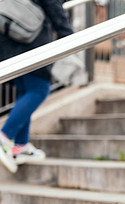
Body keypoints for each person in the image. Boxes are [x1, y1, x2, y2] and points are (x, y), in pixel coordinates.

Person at [0, 0, 73, 173]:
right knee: (39, 90)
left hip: (10, 41)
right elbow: (53, 4)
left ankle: (20, 145)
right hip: (30, 43)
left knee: (26, 92)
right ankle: (4, 136)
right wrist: (68, 35)